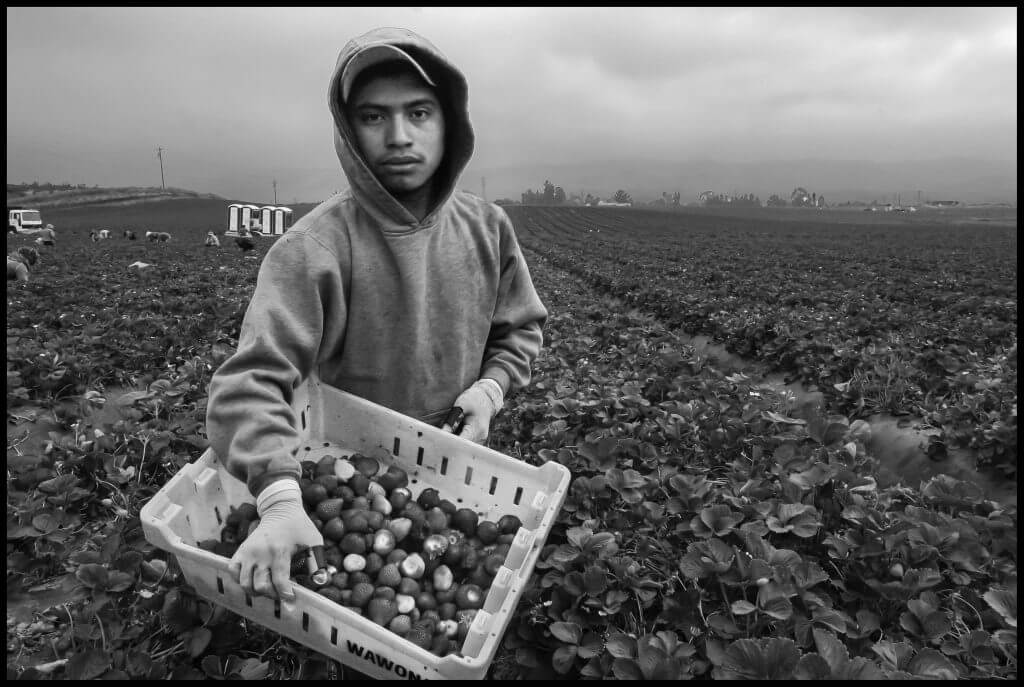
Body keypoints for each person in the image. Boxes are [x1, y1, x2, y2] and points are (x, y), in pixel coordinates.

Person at [205, 26, 548, 603]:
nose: (398, 137)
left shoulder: (488, 229)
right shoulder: (314, 248)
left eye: (419, 113)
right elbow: (249, 382)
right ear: (348, 131)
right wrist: (281, 494)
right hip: (347, 463)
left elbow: (520, 328)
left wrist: (490, 389)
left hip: (456, 460)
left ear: (450, 122)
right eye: (372, 117)